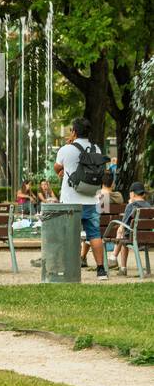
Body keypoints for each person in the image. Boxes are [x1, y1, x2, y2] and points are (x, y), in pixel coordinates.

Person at [54, 116, 108, 280]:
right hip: (91, 199)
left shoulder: (66, 149)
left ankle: (70, 268)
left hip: (70, 201)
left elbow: (57, 168)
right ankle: (101, 270)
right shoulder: (96, 149)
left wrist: (62, 171)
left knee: (70, 235)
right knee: (94, 235)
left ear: (74, 131)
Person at [112, 182, 149, 275]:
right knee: (125, 235)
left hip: (133, 237)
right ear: (143, 194)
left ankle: (121, 266)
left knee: (123, 235)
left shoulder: (131, 206)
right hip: (147, 237)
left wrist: (129, 205)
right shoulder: (149, 206)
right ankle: (113, 257)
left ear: (132, 194)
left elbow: (123, 225)